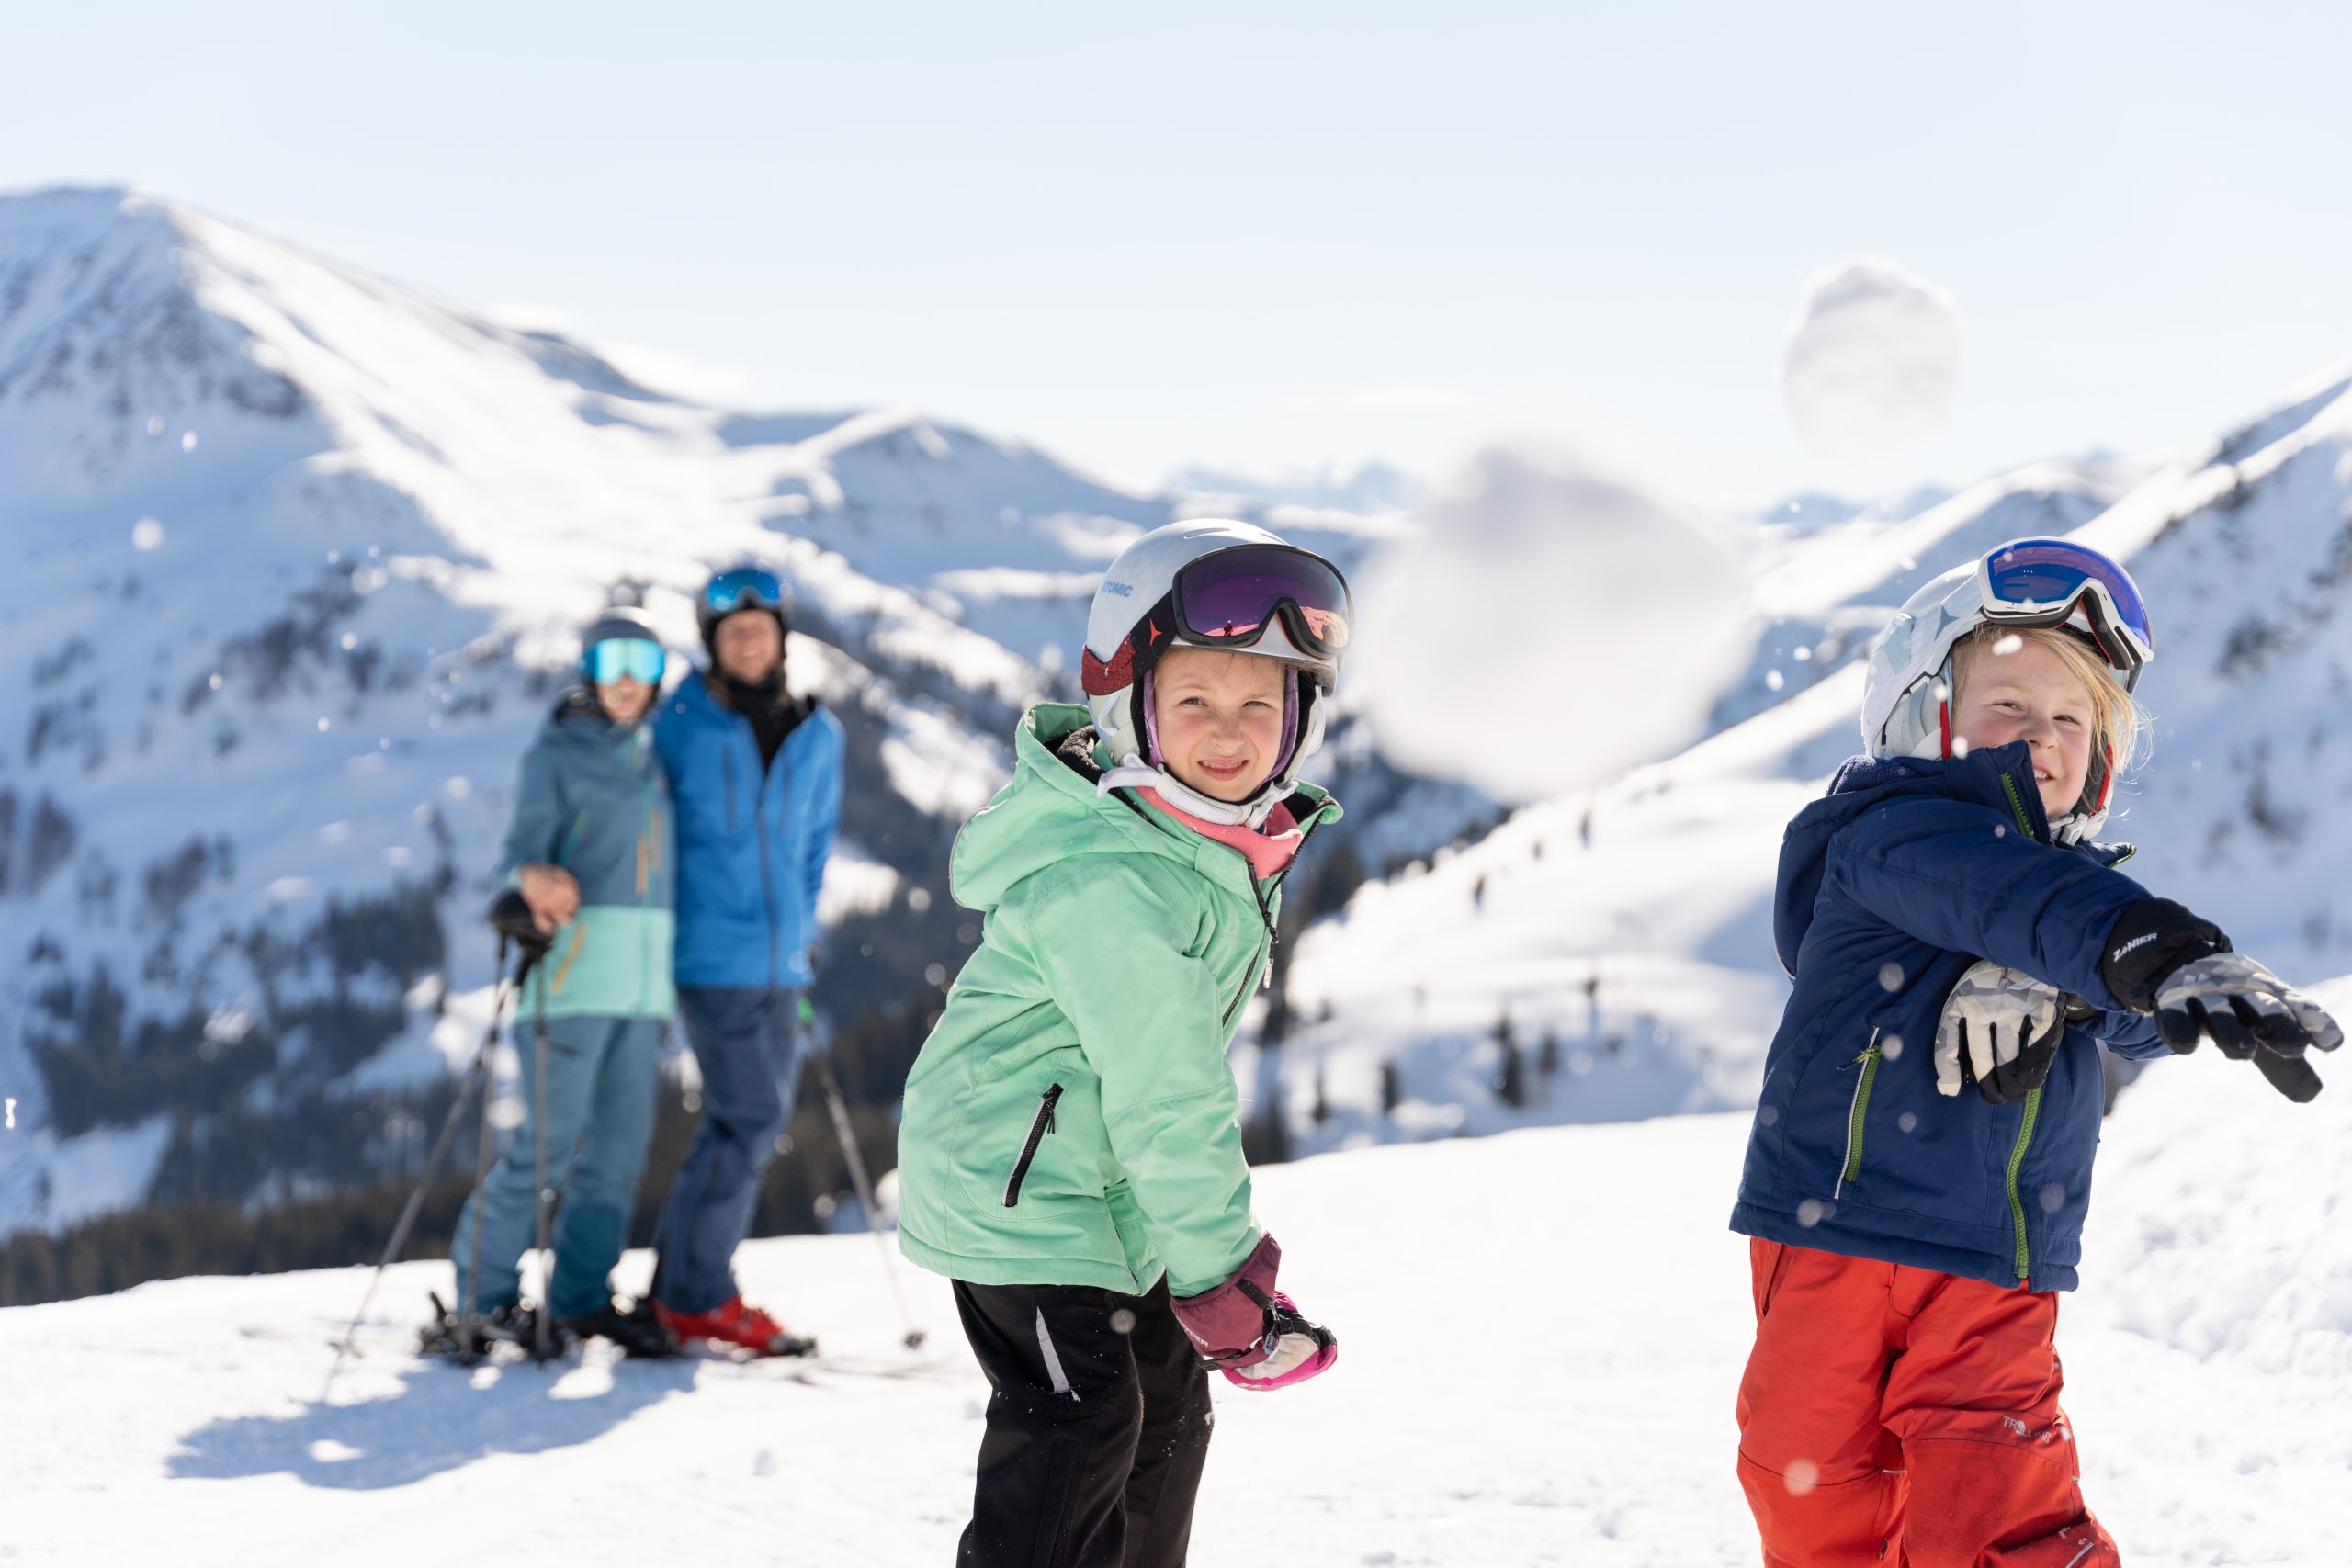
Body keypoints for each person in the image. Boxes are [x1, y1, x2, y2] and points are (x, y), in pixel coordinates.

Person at [1729, 538, 2342, 1565]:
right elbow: (1994, 892)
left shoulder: (2071, 899)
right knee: (1805, 1481)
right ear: (1924, 714)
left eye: (2071, 720)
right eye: (2007, 706)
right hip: (1830, 1228)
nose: (2041, 738)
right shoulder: (1888, 834)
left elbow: (2133, 1017)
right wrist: (2125, 944)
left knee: (1997, 1500)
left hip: (1992, 1258)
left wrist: (2088, 982)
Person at [898, 519, 1349, 1568]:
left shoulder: (1197, 839)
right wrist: (1221, 1276)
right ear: (1129, 707)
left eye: (1259, 704)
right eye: (1193, 702)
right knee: (1080, 1417)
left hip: (1097, 1185)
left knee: (1167, 1412)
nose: (1228, 733)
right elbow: (1167, 1093)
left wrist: (1204, 1272)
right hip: (1016, 1190)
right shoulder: (1113, 881)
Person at [436, 606, 679, 1359]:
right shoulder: (555, 754)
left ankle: (580, 1295)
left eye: (643, 665)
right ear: (588, 673)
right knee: (547, 1150)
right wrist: (532, 878)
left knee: (619, 1154)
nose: (627, 681)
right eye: (612, 664)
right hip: (571, 979)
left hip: (641, 987)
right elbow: (518, 857)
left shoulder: (653, 754)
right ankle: (480, 1297)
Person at [647, 565, 844, 1355]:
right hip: (710, 956)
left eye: (760, 629)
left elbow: (814, 844)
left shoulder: (817, 733)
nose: (748, 642)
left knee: (740, 1124)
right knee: (751, 1117)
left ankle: (679, 1289)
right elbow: (648, 826)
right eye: (733, 632)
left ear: (781, 638)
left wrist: (802, 930)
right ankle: (698, 1292)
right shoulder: (681, 723)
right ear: (712, 643)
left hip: (782, 963)